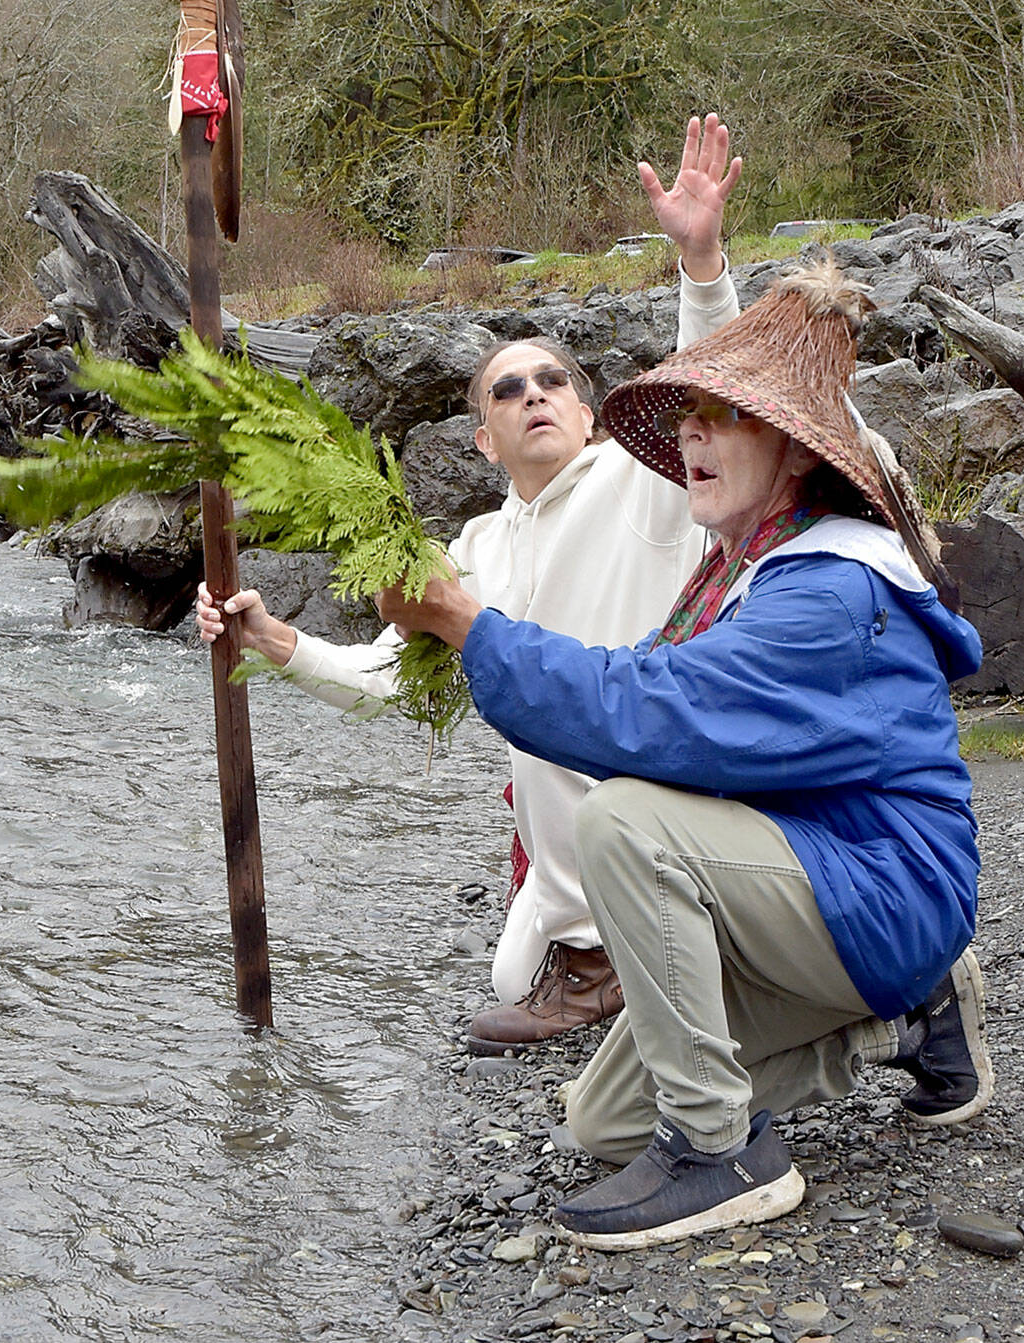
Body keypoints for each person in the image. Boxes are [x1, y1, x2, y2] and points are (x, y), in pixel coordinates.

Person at [377, 260, 994, 1250]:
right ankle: (903, 1020)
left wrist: (468, 623)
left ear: (793, 453)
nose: (692, 435)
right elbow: (649, 684)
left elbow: (653, 709)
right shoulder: (739, 567)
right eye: (688, 418)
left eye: (721, 416)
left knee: (622, 817)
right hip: (806, 878)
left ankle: (721, 1157)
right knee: (603, 1120)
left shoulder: (826, 593)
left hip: (881, 885)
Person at [197, 115, 743, 1054]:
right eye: (507, 388)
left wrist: (702, 263)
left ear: (584, 407)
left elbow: (724, 396)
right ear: (484, 441)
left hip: (669, 796)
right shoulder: (478, 546)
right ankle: (598, 952)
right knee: (499, 979)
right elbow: (386, 682)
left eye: (552, 380)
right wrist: (272, 641)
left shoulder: (646, 480)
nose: (533, 391)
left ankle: (653, 950)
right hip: (576, 845)